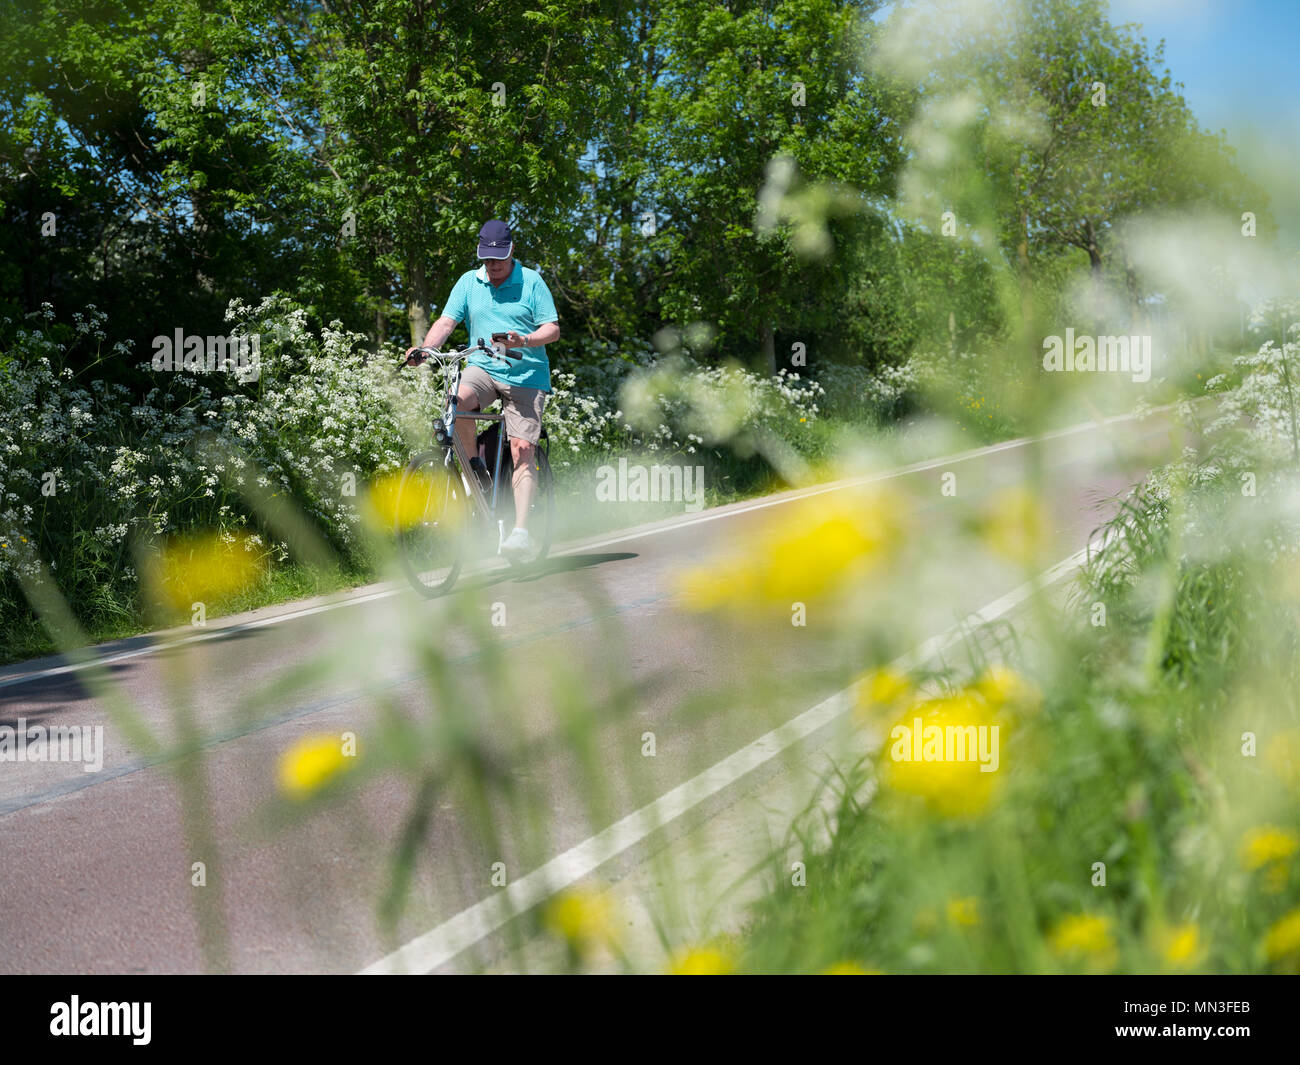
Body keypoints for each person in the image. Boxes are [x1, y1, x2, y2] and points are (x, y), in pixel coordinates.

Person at [406, 220, 561, 559]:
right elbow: (446, 322)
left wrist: (527, 340)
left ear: (511, 252)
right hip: (484, 368)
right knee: (457, 401)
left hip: (526, 376)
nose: (493, 267)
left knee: (522, 450)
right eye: (488, 260)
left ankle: (520, 532)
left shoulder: (532, 281)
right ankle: (477, 471)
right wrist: (424, 349)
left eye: (499, 261)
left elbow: (553, 329)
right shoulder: (469, 282)